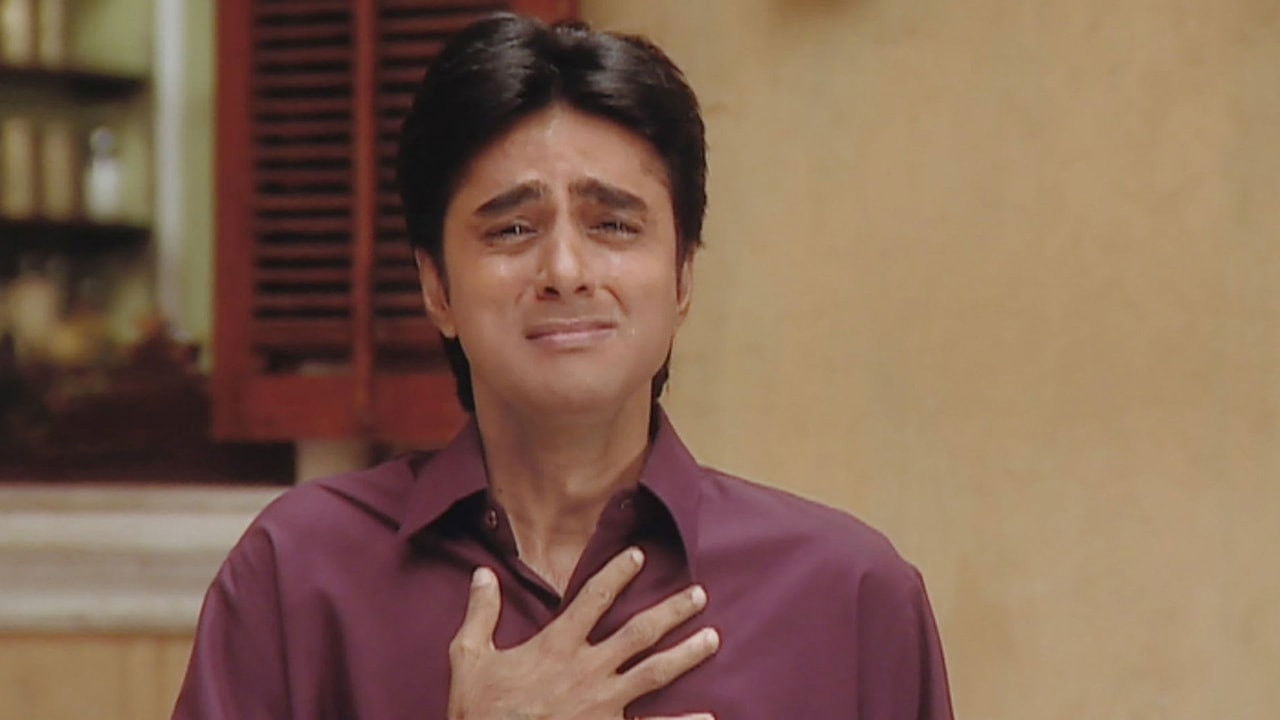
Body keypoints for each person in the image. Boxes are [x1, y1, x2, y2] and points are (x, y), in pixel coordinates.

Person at [173, 14, 953, 720]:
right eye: (512, 229)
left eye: (613, 224)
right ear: (436, 288)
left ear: (683, 276)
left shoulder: (848, 595)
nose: (566, 271)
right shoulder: (300, 574)